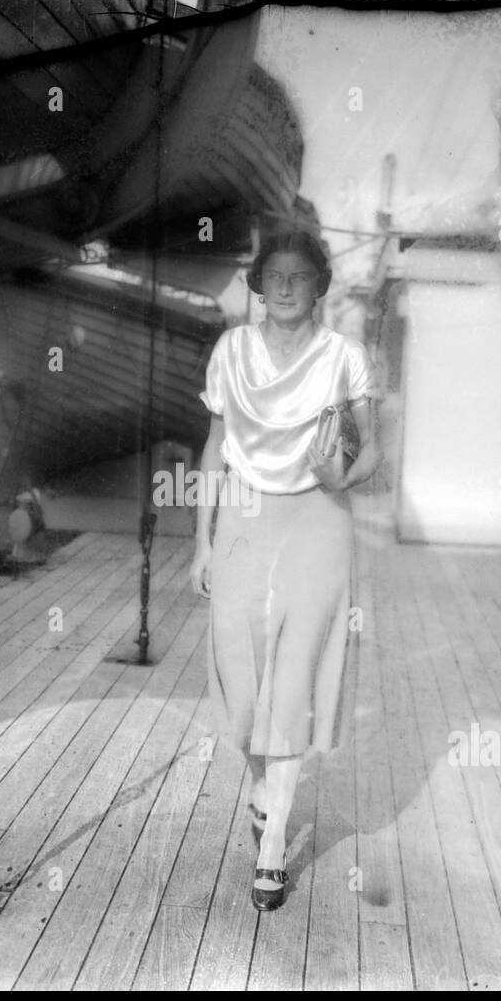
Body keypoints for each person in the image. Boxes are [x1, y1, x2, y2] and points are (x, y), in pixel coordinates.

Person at [190, 229, 382, 912]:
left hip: (317, 521)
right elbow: (214, 450)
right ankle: (262, 794)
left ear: (321, 285)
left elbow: (371, 457)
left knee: (294, 673)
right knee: (240, 677)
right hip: (242, 514)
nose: (286, 286)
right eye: (274, 274)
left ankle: (271, 853)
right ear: (258, 282)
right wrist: (203, 543)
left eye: (301, 276)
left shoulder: (344, 358)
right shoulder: (231, 352)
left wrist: (343, 473)